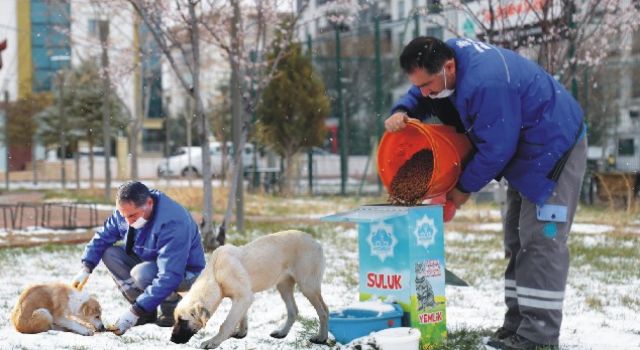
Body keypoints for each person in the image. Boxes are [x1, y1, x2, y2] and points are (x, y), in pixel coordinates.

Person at [386, 37, 586, 350]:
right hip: (523, 148)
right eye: (418, 86)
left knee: (540, 243)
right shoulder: (443, 59)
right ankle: (518, 324)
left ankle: (539, 337)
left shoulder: (486, 83)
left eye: (427, 85)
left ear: (449, 67)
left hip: (553, 146)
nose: (424, 93)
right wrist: (403, 108)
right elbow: (422, 91)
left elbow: (496, 149)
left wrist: (462, 189)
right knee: (516, 240)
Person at [71, 181, 206, 334]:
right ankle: (146, 313)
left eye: (133, 216)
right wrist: (86, 268)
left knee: (143, 274)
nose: (128, 222)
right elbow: (102, 237)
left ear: (149, 203)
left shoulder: (173, 222)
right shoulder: (127, 212)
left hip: (185, 272)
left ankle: (171, 310)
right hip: (151, 261)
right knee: (110, 253)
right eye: (124, 216)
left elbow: (170, 275)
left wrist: (134, 312)